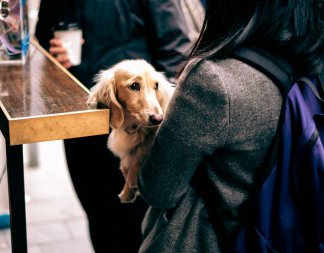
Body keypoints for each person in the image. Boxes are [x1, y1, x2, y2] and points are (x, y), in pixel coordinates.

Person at [137, 0, 324, 252]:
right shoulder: (315, 63)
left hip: (214, 240)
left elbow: (158, 189)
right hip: (293, 234)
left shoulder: (215, 80)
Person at [34, 1, 192, 252]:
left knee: (135, 224)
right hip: (82, 125)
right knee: (98, 216)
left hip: (136, 131)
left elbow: (176, 52)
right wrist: (54, 53)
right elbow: (43, 39)